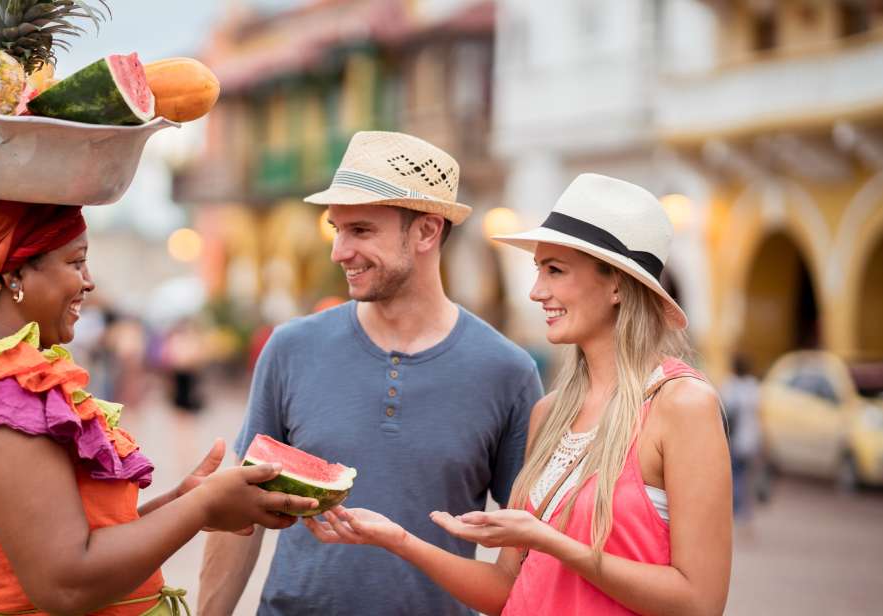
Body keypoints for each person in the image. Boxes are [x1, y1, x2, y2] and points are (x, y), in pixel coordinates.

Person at [0, 192, 318, 616]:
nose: (89, 282)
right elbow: (65, 584)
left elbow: (70, 540)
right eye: (76, 262)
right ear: (13, 275)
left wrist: (183, 503)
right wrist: (201, 508)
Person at [304, 173, 733, 615]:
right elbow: (507, 588)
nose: (536, 291)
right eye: (538, 269)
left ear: (618, 284)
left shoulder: (681, 405)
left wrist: (552, 541)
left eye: (555, 270)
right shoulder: (548, 414)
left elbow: (699, 603)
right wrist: (397, 539)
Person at [198, 132, 544, 616]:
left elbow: (528, 549)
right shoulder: (291, 348)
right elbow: (242, 513)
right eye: (335, 229)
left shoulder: (508, 371)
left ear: (426, 232)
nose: (339, 251)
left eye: (360, 230)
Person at [721, 354, 761, 519]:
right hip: (751, 439)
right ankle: (745, 510)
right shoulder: (753, 386)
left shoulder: (730, 386)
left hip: (735, 439)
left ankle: (736, 511)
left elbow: (723, 410)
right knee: (746, 476)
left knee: (735, 475)